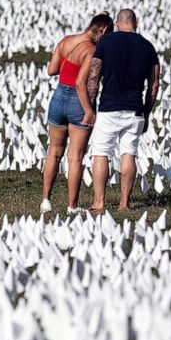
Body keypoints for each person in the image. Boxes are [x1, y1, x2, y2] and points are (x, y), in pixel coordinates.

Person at [80, 9, 160, 214]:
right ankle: (124, 203)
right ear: (137, 23)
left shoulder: (106, 43)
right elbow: (154, 85)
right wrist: (146, 113)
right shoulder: (148, 47)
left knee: (101, 153)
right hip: (134, 110)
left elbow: (93, 77)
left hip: (109, 108)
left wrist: (90, 107)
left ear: (116, 23)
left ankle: (99, 203)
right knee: (129, 154)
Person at [40, 12, 114, 215]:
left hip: (57, 98)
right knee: (75, 157)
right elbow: (81, 84)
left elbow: (51, 70)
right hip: (77, 101)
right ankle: (72, 206)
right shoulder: (91, 50)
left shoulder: (66, 41)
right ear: (104, 31)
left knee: (54, 152)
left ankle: (46, 200)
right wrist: (89, 111)